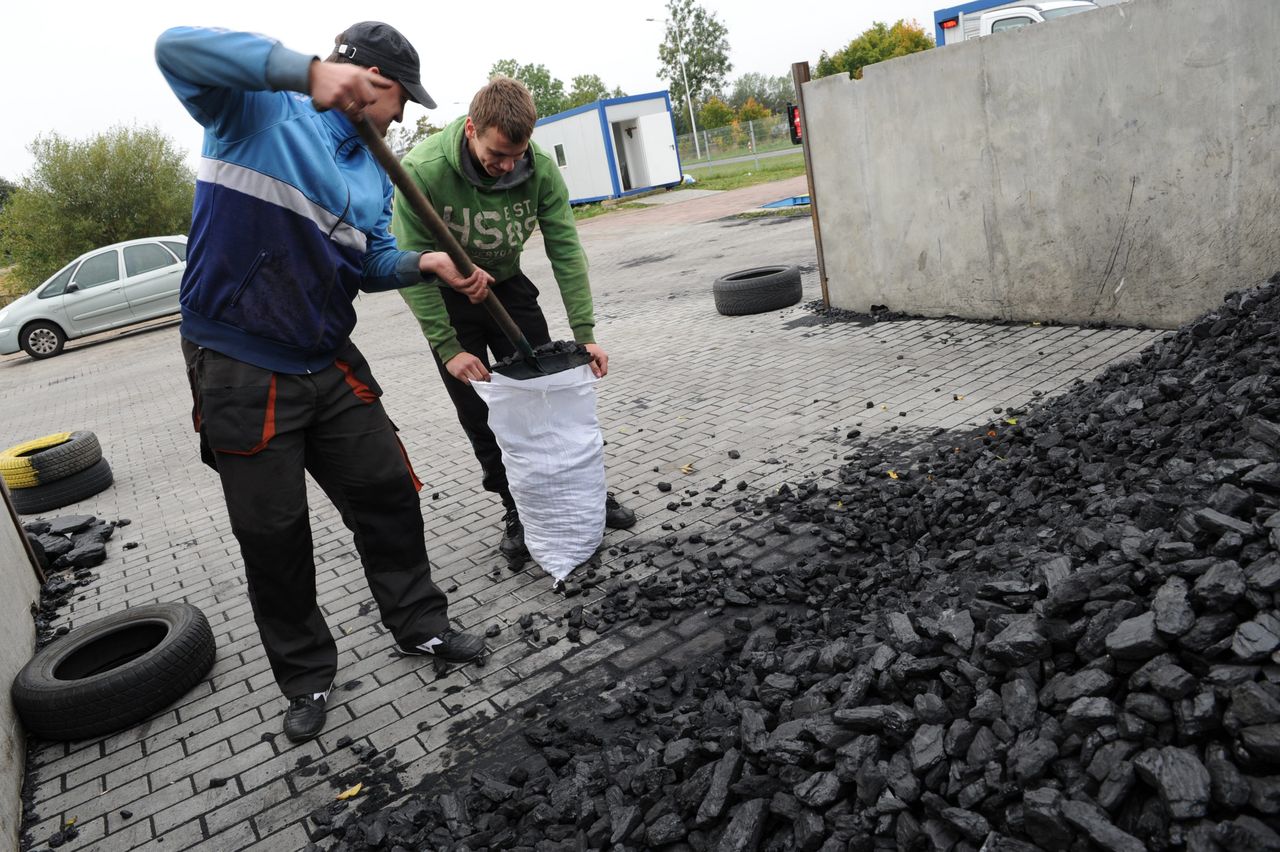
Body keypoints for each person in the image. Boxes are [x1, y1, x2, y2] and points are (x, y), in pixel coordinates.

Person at [155, 22, 488, 743]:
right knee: (272, 533)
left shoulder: (372, 169)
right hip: (240, 364)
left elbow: (367, 262)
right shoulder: (256, 109)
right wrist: (301, 72)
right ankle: (306, 676)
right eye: (399, 96)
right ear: (366, 77)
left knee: (388, 492)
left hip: (328, 358)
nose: (402, 114)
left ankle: (421, 625)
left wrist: (421, 265)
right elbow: (172, 48)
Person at [390, 76, 636, 567]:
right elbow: (409, 263)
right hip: (449, 300)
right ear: (471, 130)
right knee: (481, 412)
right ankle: (517, 508)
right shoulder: (422, 171)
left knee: (552, 392)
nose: (506, 168)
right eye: (496, 155)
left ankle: (585, 493)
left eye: (515, 156)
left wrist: (585, 335)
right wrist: (447, 348)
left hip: (507, 286)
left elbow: (565, 248)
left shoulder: (539, 168)